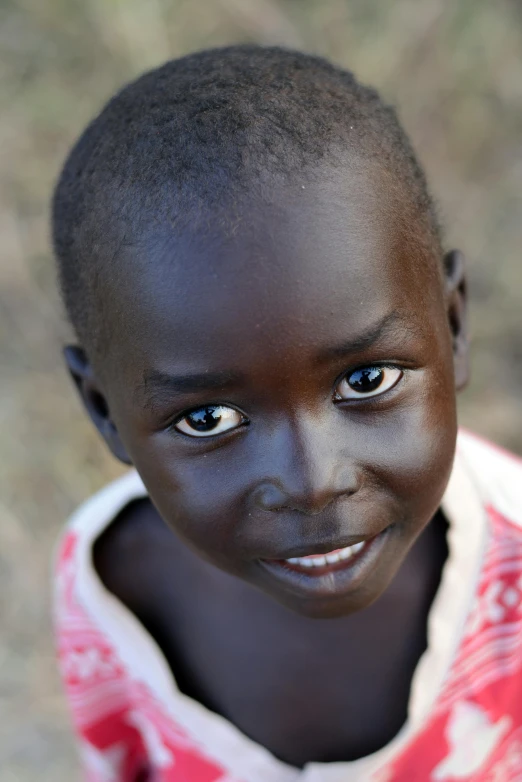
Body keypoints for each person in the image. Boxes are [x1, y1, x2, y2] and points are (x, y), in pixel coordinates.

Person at [51, 45, 522, 782]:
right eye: (208, 420)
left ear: (454, 326)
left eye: (366, 379)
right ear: (105, 411)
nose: (311, 481)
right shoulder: (108, 584)